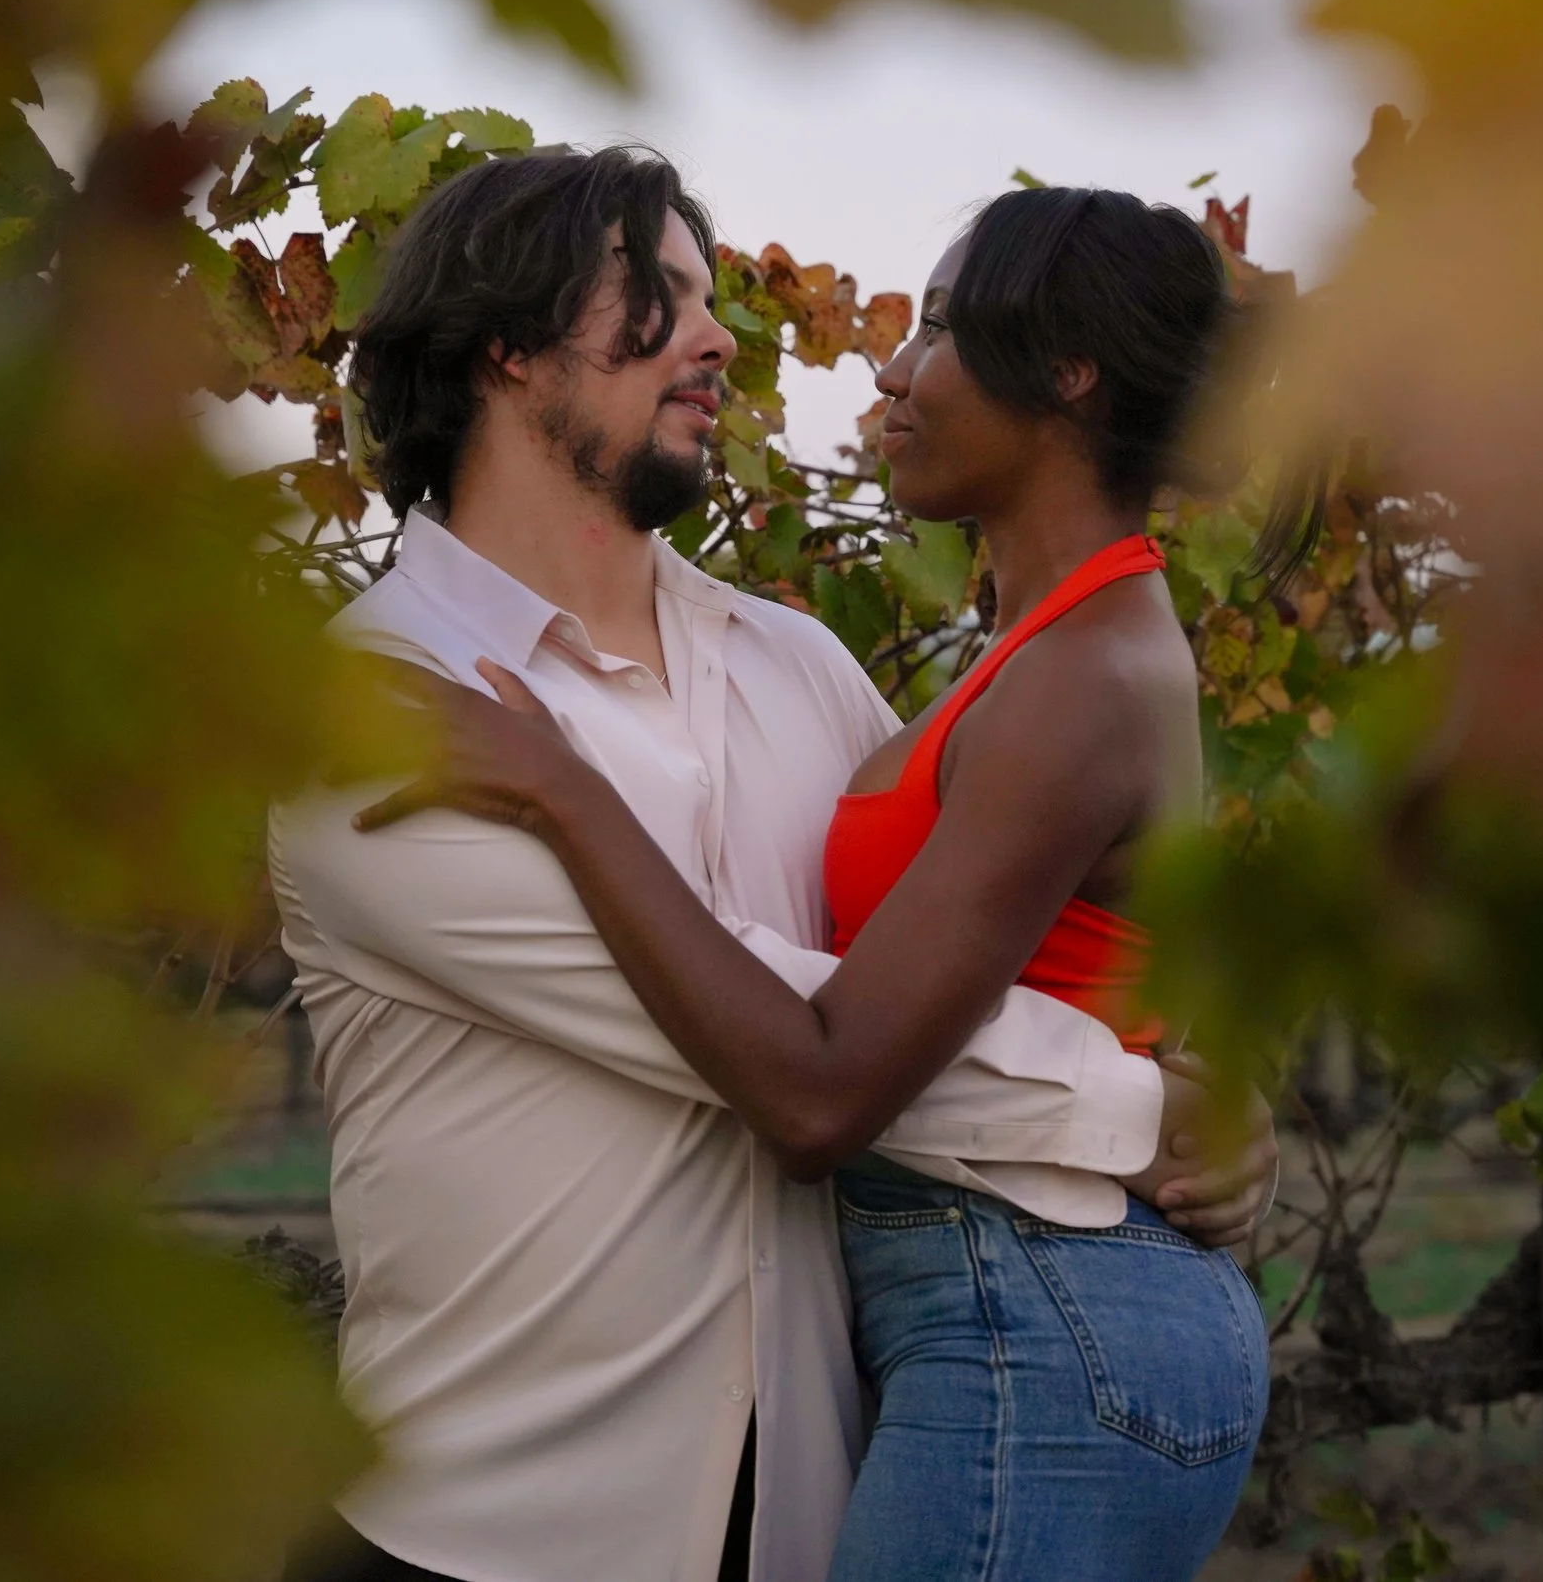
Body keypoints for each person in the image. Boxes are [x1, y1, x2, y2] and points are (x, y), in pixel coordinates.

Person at [268, 149, 1279, 1582]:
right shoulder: (379, 709)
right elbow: (804, 1047)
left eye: (709, 293)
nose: (719, 333)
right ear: (505, 347)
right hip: (498, 1531)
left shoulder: (801, 668)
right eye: (657, 296)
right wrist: (1138, 1106)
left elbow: (975, 939)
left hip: (808, 1510)